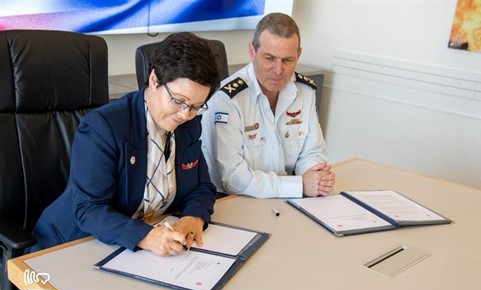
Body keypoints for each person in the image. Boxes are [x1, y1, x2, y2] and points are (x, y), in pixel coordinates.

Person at [28, 32, 220, 257]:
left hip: (132, 253)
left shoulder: (190, 125)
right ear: (154, 80)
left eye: (196, 106)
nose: (185, 114)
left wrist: (193, 218)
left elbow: (202, 186)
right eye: (178, 101)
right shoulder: (104, 127)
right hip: (72, 246)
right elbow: (89, 210)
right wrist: (145, 237)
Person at [201, 12, 335, 199]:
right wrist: (299, 186)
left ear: (298, 55)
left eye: (287, 60)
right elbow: (232, 179)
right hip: (236, 201)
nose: (278, 70)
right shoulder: (227, 99)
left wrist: (315, 174)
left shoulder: (305, 91)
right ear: (252, 51)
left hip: (290, 198)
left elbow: (312, 151)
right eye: (269, 58)